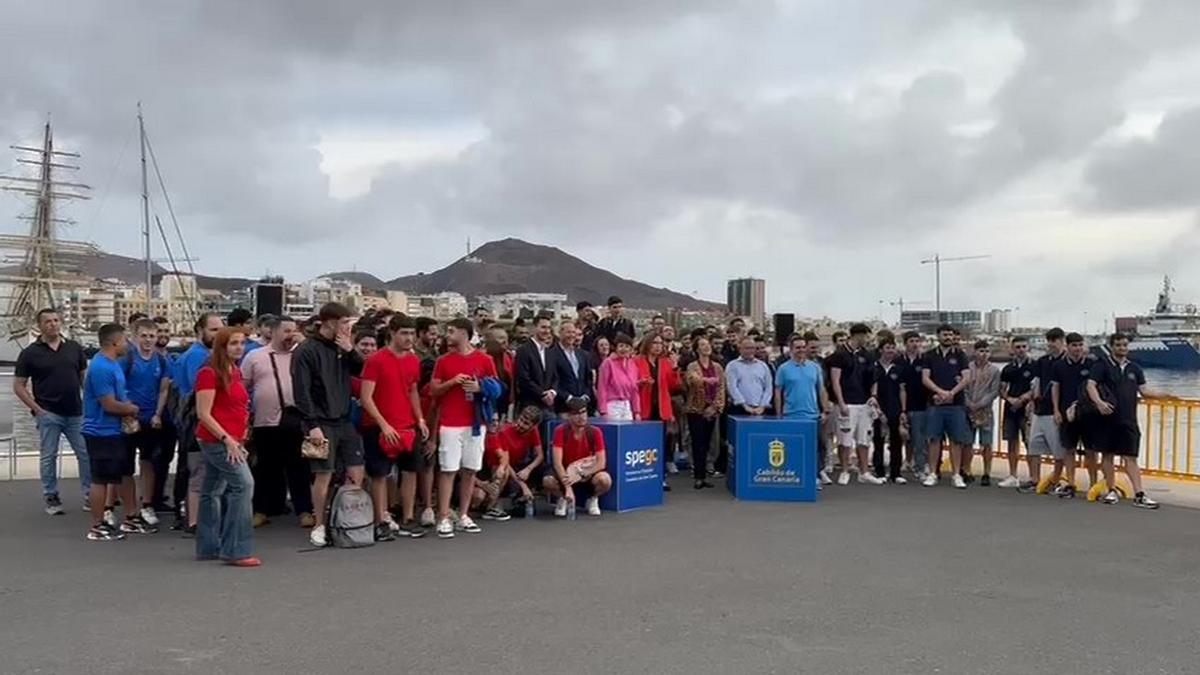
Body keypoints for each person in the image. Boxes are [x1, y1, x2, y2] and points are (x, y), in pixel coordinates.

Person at [291, 302, 366, 548]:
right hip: (320, 421)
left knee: (356, 471)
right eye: (344, 323)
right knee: (323, 474)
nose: (347, 328)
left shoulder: (343, 347)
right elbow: (301, 391)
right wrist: (311, 424)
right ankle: (319, 524)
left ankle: (346, 519)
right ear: (330, 322)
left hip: (345, 419)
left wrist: (350, 349)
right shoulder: (306, 350)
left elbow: (362, 370)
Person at [359, 315, 430, 541]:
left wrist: (420, 419)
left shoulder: (413, 360)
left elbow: (412, 391)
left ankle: (408, 518)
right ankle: (381, 520)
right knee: (379, 474)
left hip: (408, 425)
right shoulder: (376, 360)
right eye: (404, 333)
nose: (409, 338)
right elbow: (366, 397)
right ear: (393, 333)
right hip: (379, 427)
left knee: (410, 471)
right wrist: (384, 424)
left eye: (412, 333)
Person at [15, 308, 91, 516]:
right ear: (40, 326)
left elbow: (84, 379)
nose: (53, 324)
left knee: (85, 453)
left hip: (75, 412)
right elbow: (19, 386)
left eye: (56, 320)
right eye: (48, 321)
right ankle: (51, 494)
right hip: (48, 413)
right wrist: (37, 409)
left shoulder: (74, 348)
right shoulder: (30, 353)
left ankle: (89, 494)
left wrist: (90, 405)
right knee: (49, 455)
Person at [194, 328, 260, 566]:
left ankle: (208, 546)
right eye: (233, 343)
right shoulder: (209, 373)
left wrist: (240, 435)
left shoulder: (235, 371)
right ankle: (236, 549)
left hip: (232, 439)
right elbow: (204, 413)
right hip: (217, 440)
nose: (239, 347)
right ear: (222, 346)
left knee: (212, 490)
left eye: (242, 343)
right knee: (243, 485)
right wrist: (227, 439)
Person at [241, 315, 314, 528]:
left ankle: (304, 510)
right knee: (265, 467)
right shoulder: (254, 356)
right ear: (273, 332)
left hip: (295, 420)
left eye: (293, 330)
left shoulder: (301, 354)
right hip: (265, 421)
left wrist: (304, 342)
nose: (290, 335)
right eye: (286, 330)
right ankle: (261, 509)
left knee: (298, 467)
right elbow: (243, 387)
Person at [82, 323, 153, 540]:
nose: (127, 344)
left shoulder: (113, 365)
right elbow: (109, 404)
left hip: (115, 430)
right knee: (100, 479)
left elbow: (119, 397)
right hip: (100, 431)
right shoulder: (101, 368)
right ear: (114, 343)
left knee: (122, 473)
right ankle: (97, 524)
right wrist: (131, 409)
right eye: (124, 340)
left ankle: (130, 518)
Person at [431, 318, 499, 538]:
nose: (448, 335)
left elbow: (497, 387)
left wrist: (480, 387)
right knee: (448, 470)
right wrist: (452, 382)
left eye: (452, 331)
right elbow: (434, 389)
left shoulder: (484, 359)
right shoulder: (443, 361)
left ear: (464, 333)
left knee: (470, 470)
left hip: (475, 423)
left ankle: (463, 515)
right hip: (450, 423)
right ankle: (442, 517)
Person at [1086, 333, 1167, 509]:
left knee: (1131, 457)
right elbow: (1090, 385)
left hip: (1128, 420)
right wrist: (1099, 403)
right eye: (1118, 345)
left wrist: (1168, 395)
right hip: (1106, 419)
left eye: (1124, 345)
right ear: (1112, 346)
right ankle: (1111, 490)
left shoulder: (1135, 368)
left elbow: (1144, 390)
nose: (1122, 348)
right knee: (1107, 455)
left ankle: (1139, 494)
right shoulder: (1102, 365)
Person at [172, 312, 224, 533]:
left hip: (191, 421)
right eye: (213, 330)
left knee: (192, 471)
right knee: (199, 472)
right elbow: (202, 392)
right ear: (200, 331)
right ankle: (193, 520)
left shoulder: (199, 355)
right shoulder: (199, 357)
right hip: (197, 422)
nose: (218, 334)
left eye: (220, 329)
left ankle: (187, 515)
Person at [122, 318, 172, 525]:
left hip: (151, 419)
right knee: (125, 466)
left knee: (149, 462)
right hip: (129, 418)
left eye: (152, 336)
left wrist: (158, 414)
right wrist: (126, 409)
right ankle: (128, 508)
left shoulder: (161, 361)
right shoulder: (127, 358)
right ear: (134, 337)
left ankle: (147, 504)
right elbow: (119, 384)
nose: (148, 340)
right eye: (144, 336)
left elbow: (163, 389)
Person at [828, 323, 885, 485]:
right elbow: (835, 381)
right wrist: (841, 402)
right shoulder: (839, 354)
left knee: (864, 439)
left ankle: (864, 471)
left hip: (864, 403)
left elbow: (874, 378)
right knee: (845, 440)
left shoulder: (868, 355)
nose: (867, 339)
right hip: (847, 403)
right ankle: (845, 470)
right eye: (866, 336)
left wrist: (873, 396)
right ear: (858, 335)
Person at [921, 324, 972, 489]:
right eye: (945, 335)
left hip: (956, 404)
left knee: (956, 440)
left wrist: (951, 393)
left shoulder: (960, 355)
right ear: (938, 336)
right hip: (934, 404)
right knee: (934, 440)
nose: (948, 338)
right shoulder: (929, 355)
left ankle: (956, 474)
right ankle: (932, 473)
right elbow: (925, 378)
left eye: (950, 335)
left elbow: (966, 378)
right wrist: (940, 392)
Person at [774, 334, 831, 483]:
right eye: (797, 347)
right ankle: (797, 475)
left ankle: (816, 474)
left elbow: (821, 389)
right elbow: (778, 392)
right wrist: (779, 415)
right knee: (795, 448)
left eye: (803, 347)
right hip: (791, 415)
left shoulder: (815, 367)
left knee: (819, 447)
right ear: (791, 349)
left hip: (813, 415)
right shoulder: (783, 368)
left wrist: (825, 410)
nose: (801, 350)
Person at [544, 397, 612, 517]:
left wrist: (583, 474)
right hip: (565, 473)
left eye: (583, 412)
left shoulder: (595, 432)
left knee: (605, 480)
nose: (581, 417)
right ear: (568, 416)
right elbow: (557, 463)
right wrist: (568, 488)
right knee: (548, 481)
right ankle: (562, 499)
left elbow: (601, 463)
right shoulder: (560, 431)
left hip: (586, 472)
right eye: (576, 414)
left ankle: (592, 499)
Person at [1050, 332, 1098, 499]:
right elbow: (1055, 388)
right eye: (1074, 345)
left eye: (1080, 345)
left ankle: (1093, 484)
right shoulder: (1059, 366)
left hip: (1089, 414)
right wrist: (1056, 410)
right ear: (1067, 346)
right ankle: (1071, 483)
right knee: (1069, 449)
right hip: (1067, 414)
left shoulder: (1092, 364)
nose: (1078, 348)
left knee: (1091, 450)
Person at [476, 405, 543, 519]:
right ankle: (490, 505)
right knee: (502, 471)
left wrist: (528, 469)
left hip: (518, 466)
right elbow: (505, 462)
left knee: (536, 467)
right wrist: (523, 486)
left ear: (533, 426)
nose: (521, 425)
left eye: (526, 423)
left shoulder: (533, 432)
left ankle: (519, 497)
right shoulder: (505, 432)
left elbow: (540, 455)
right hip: (501, 466)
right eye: (521, 420)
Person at [636, 332, 681, 490]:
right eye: (654, 343)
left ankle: (660, 477)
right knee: (642, 445)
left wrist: (675, 368)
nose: (658, 346)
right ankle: (642, 476)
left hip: (661, 408)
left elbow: (674, 387)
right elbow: (631, 383)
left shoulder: (665, 362)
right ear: (647, 344)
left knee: (659, 445)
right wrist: (641, 383)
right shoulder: (637, 361)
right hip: (643, 408)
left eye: (660, 343)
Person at [1025, 327, 1066, 494]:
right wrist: (1032, 401)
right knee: (1033, 446)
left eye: (1054, 340)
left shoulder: (1065, 362)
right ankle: (1035, 479)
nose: (1051, 344)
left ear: (1062, 341)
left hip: (1056, 412)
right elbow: (1036, 382)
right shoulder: (1042, 361)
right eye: (1049, 341)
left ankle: (1055, 480)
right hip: (1039, 410)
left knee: (1058, 449)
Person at [684, 336, 725, 490]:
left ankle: (705, 473)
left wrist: (715, 407)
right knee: (697, 442)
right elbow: (692, 380)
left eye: (707, 344)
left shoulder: (718, 367)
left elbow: (721, 388)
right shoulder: (692, 366)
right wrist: (705, 381)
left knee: (708, 442)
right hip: (696, 409)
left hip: (711, 409)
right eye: (702, 345)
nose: (706, 347)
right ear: (697, 349)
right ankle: (698, 475)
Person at [997, 336, 1036, 489]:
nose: (1021, 350)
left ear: (1028, 348)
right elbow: (1001, 389)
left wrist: (1025, 398)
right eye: (1018, 347)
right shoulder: (1008, 368)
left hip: (1028, 410)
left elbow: (1037, 387)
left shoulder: (1034, 366)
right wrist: (1010, 399)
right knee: (1012, 443)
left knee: (1029, 443)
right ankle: (1013, 475)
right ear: (1012, 349)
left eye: (1023, 347)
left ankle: (1033, 476)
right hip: (1010, 409)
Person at [149, 315, 178, 513]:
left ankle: (157, 495)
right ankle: (151, 499)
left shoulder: (170, 358)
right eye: (159, 331)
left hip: (171, 416)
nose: (164, 335)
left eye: (166, 331)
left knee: (165, 458)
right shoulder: (148, 359)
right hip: (153, 417)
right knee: (153, 459)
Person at [870, 338, 908, 484]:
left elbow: (902, 390)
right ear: (881, 349)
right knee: (878, 440)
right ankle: (879, 472)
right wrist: (877, 409)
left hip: (895, 408)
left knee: (896, 441)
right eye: (887, 347)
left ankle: (896, 473)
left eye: (893, 347)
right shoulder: (874, 367)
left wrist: (903, 410)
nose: (891, 350)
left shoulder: (898, 368)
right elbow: (872, 388)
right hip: (878, 409)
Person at [963, 340, 1000, 486]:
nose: (983, 354)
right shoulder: (967, 367)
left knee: (986, 443)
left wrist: (980, 404)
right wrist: (969, 403)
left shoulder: (995, 371)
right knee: (967, 442)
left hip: (986, 412)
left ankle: (986, 472)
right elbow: (963, 387)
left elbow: (994, 391)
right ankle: (967, 470)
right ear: (975, 352)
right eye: (981, 351)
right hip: (968, 409)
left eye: (986, 351)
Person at [514, 312, 559, 416]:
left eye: (548, 328)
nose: (547, 331)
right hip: (530, 406)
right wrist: (542, 394)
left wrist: (552, 392)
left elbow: (555, 376)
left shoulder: (550, 351)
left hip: (549, 408)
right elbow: (523, 379)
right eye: (543, 327)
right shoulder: (523, 350)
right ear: (534, 328)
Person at [898, 331, 928, 479]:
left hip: (920, 405)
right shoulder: (899, 360)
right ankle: (906, 462)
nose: (915, 344)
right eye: (911, 341)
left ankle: (920, 468)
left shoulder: (925, 360)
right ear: (905, 343)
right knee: (905, 437)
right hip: (901, 404)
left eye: (917, 341)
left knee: (919, 439)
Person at [551, 321, 596, 415]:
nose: (571, 335)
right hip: (562, 407)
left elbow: (588, 379)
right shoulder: (551, 354)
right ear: (560, 333)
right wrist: (568, 398)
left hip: (582, 407)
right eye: (568, 332)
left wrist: (586, 396)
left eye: (573, 332)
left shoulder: (583, 354)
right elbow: (553, 380)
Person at [726, 336, 774, 417]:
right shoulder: (732, 366)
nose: (750, 351)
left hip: (760, 409)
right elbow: (732, 387)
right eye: (747, 348)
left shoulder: (763, 366)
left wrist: (762, 406)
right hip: (739, 409)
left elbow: (768, 388)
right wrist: (745, 406)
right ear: (740, 349)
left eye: (752, 348)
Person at [597, 334, 640, 420]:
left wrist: (637, 411)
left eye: (627, 346)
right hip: (612, 404)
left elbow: (634, 389)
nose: (623, 349)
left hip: (627, 405)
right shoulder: (608, 363)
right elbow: (602, 387)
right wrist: (603, 410)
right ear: (615, 348)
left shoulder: (632, 364)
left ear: (631, 349)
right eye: (621, 346)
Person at [484, 328, 515, 421]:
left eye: (506, 338)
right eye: (501, 338)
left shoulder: (510, 357)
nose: (505, 342)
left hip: (505, 402)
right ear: (490, 342)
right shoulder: (481, 358)